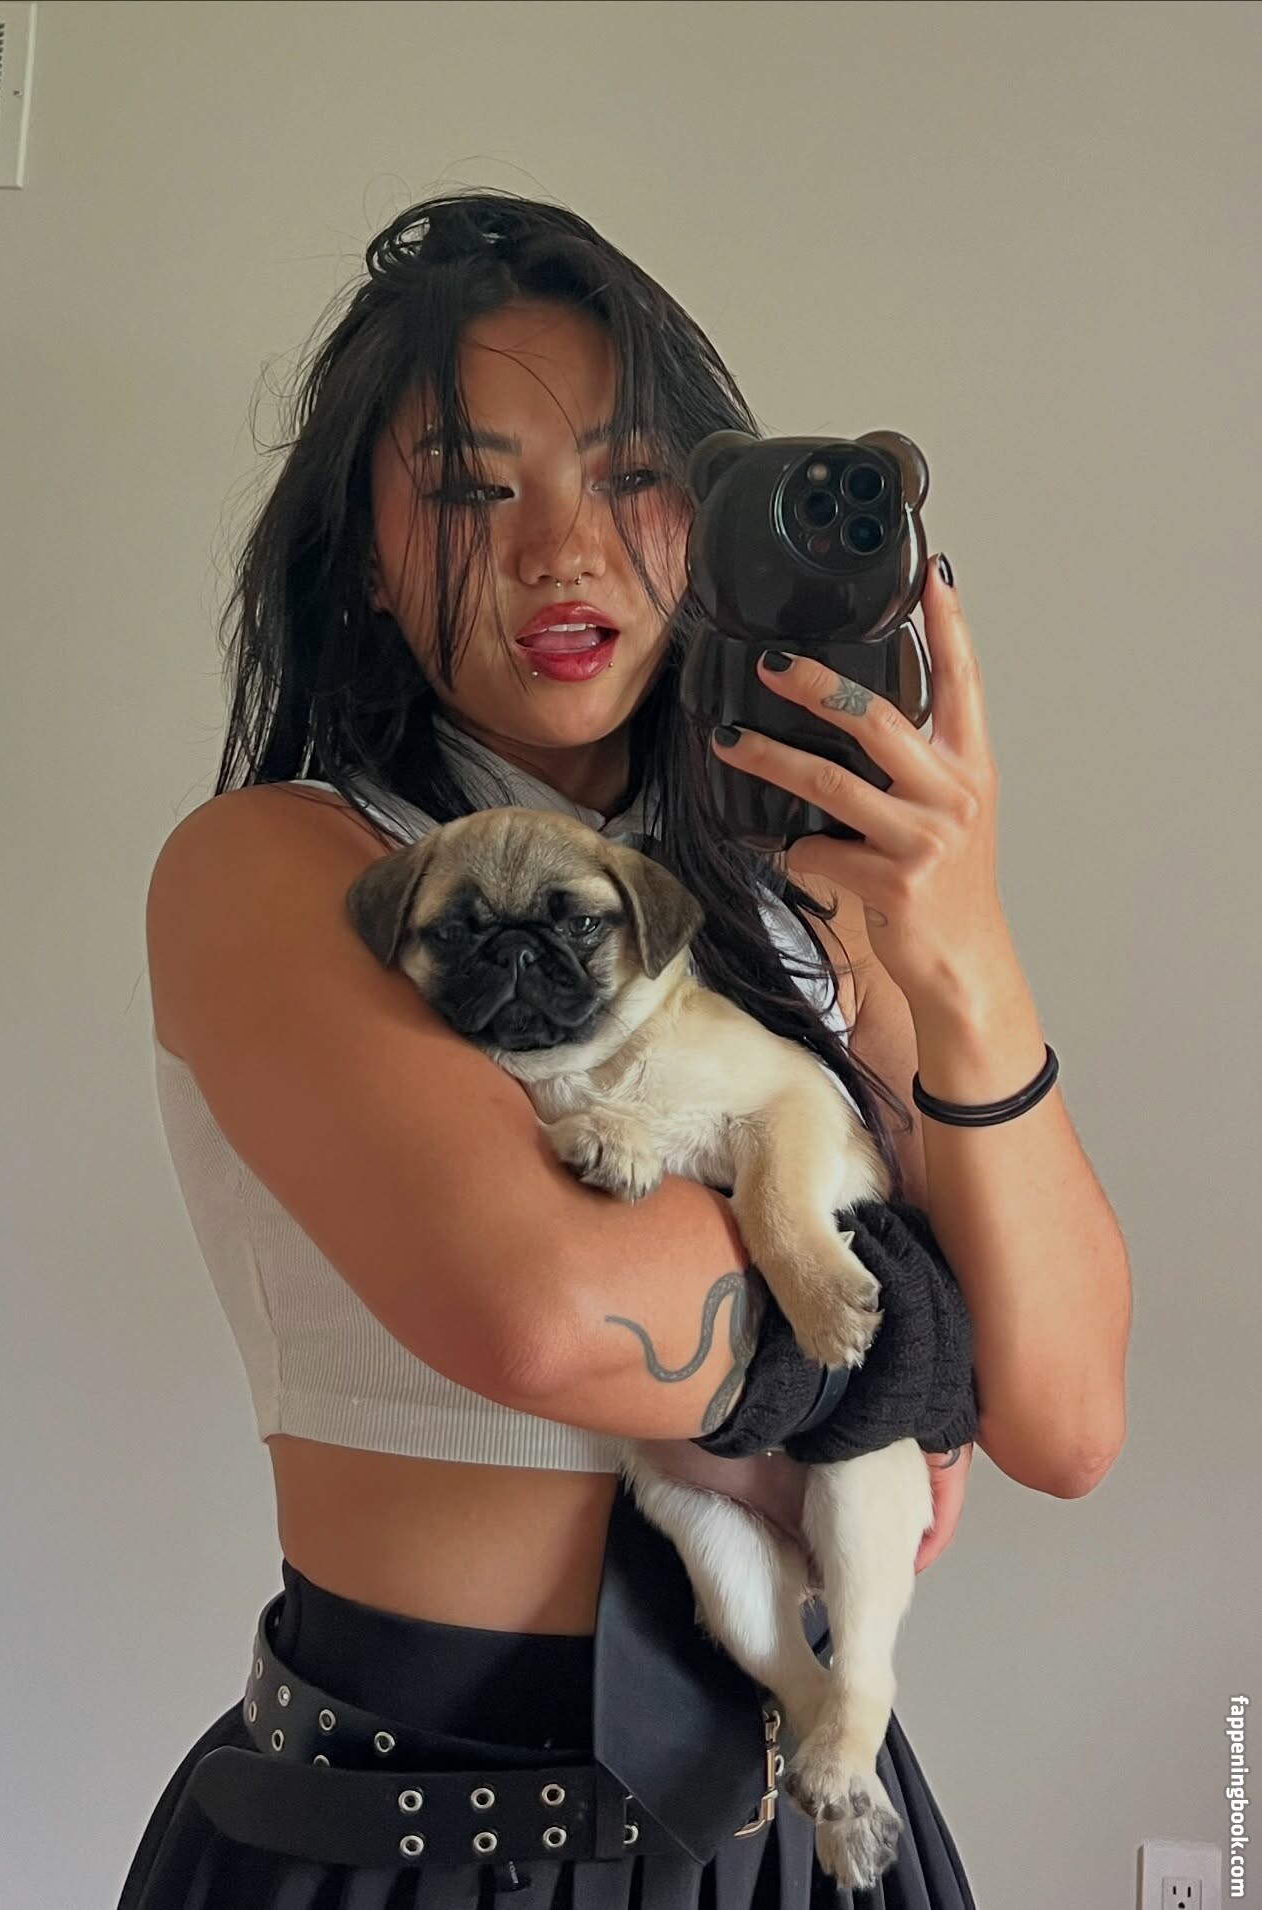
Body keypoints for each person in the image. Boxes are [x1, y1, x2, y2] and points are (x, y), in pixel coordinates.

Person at [119, 192, 1131, 1909]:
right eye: (469, 489)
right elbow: (547, 1306)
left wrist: (962, 946)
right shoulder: (290, 868)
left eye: (633, 473)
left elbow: (1069, 1414)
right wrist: (919, 1340)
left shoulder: (819, 906)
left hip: (801, 1835)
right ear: (367, 556)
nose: (562, 547)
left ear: (713, 521)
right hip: (408, 1843)